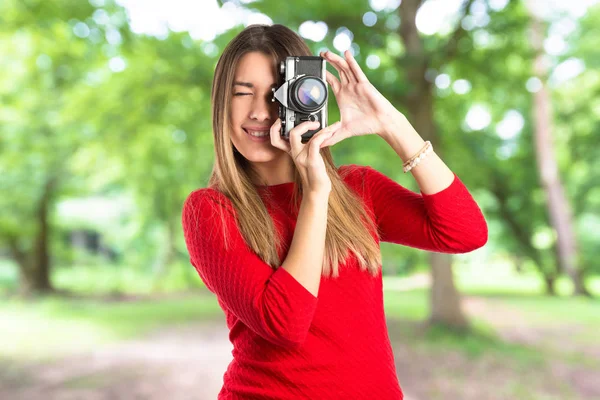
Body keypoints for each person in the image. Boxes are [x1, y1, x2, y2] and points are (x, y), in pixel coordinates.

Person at [181, 23, 488, 400]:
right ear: (220, 105)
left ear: (307, 97)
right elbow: (284, 323)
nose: (260, 112)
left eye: (277, 94)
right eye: (242, 94)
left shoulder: (357, 189)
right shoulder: (210, 211)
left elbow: (465, 232)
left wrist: (391, 125)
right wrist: (315, 193)